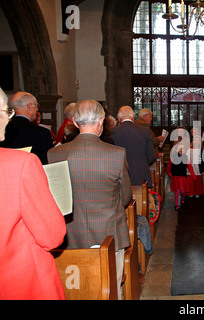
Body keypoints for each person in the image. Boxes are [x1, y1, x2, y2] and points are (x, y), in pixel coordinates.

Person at [47, 100, 132, 299]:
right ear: (101, 121)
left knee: (74, 291)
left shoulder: (54, 154)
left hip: (70, 235)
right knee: (111, 288)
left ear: (75, 122)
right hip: (109, 233)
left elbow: (54, 197)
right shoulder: (116, 154)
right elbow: (125, 196)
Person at [0, 88, 67, 300]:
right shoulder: (21, 161)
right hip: (17, 279)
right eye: (4, 111)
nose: (7, 118)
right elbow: (52, 236)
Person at [0, 91, 54, 164]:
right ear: (30, 107)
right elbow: (48, 164)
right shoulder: (42, 133)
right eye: (36, 106)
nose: (37, 110)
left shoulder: (3, 130)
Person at [111, 106, 156, 187]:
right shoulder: (144, 131)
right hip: (141, 177)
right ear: (133, 117)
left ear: (118, 118)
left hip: (120, 179)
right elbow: (151, 157)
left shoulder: (113, 133)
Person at [167, 142, 197, 210]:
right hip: (176, 177)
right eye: (179, 148)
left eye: (182, 148)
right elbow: (168, 168)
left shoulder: (185, 158)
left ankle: (183, 199)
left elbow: (190, 167)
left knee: (183, 190)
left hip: (182, 177)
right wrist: (170, 175)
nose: (181, 150)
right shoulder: (173, 157)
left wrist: (194, 176)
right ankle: (177, 204)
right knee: (177, 190)